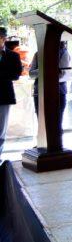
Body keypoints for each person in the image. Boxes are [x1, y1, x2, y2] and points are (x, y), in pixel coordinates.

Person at [31, 41, 72, 129]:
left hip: (58, 91)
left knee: (56, 124)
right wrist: (46, 69)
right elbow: (31, 73)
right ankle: (43, 142)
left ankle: (55, 143)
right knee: (42, 122)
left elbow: (62, 74)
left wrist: (42, 71)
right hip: (40, 91)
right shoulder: (38, 53)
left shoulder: (63, 52)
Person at [0, 27, 23, 159]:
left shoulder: (13, 55)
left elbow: (16, 74)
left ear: (3, 39)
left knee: (1, 130)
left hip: (4, 96)